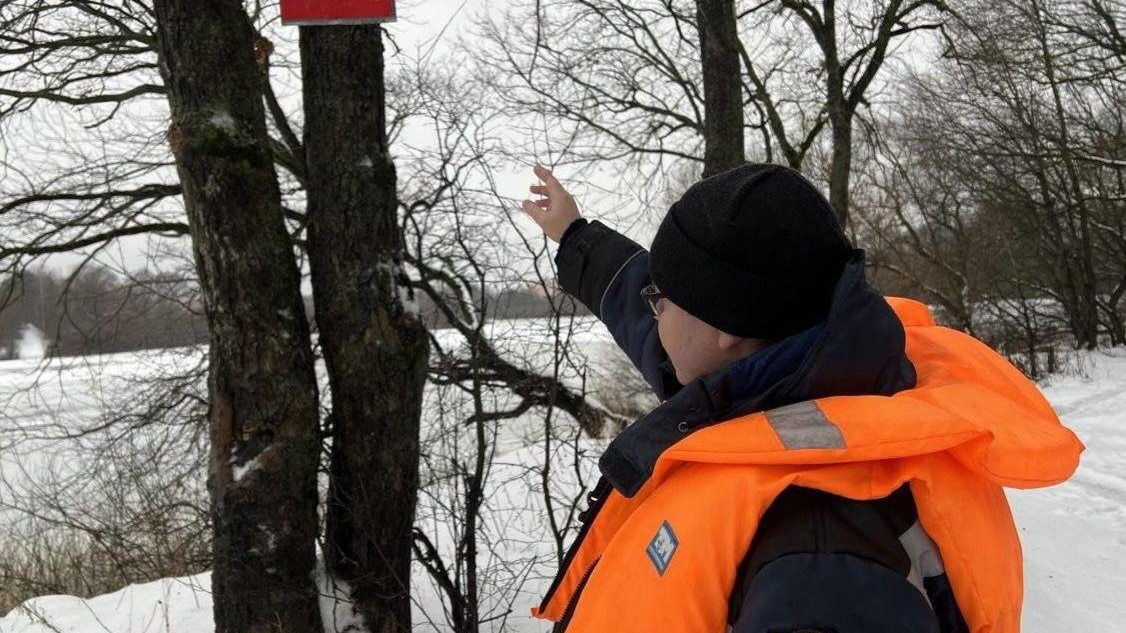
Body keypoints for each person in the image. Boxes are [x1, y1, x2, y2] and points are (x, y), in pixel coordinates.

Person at [519, 162, 1083, 633]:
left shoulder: (817, 551)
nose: (652, 312)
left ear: (729, 331)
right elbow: (657, 323)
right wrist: (574, 237)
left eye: (659, 299)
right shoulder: (794, 368)